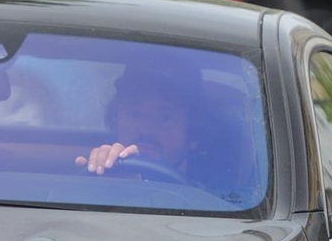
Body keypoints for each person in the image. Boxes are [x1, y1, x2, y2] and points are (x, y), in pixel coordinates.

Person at [79, 65, 246, 193]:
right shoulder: (95, 183)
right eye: (134, 114)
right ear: (117, 122)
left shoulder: (215, 205)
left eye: (165, 118)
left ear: (192, 135)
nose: (146, 129)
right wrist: (99, 181)